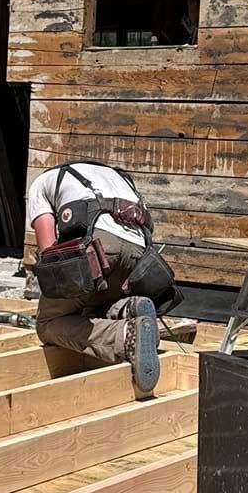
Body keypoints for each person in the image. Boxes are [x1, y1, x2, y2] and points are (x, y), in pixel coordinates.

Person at [26, 160, 166, 394]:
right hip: (139, 255)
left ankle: (125, 336)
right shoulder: (115, 175)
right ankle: (127, 308)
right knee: (87, 304)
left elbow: (49, 253)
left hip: (99, 244)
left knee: (48, 323)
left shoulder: (41, 183)